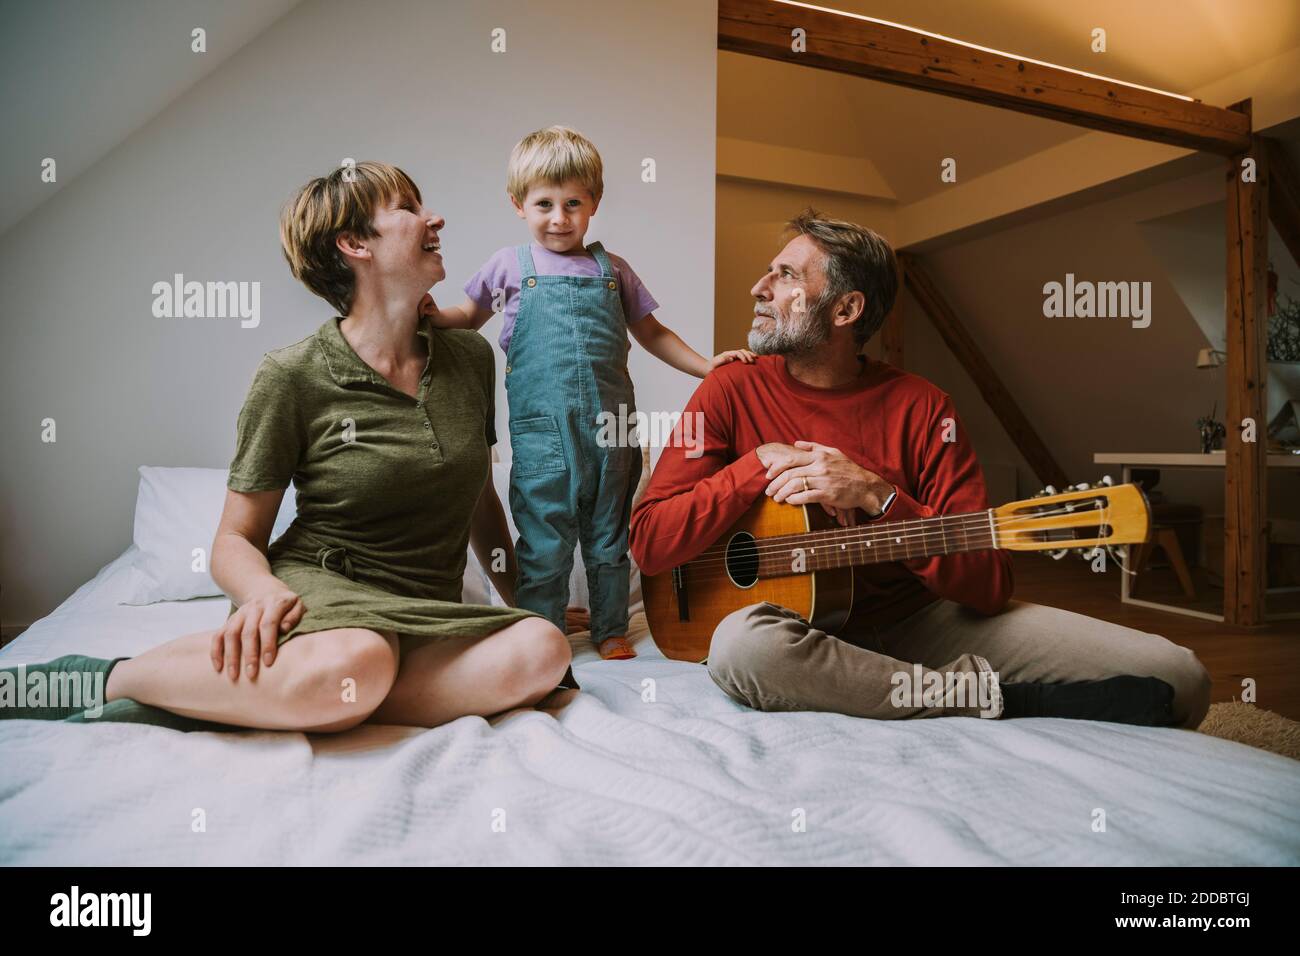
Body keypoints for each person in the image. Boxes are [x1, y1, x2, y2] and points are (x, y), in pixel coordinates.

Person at [1, 161, 574, 731]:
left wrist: (523, 601)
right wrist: (262, 595)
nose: (434, 218)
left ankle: (281, 696)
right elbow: (234, 539)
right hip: (320, 588)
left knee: (543, 649)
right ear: (354, 244)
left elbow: (479, 502)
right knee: (361, 658)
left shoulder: (470, 358)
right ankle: (110, 678)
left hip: (427, 607)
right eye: (407, 207)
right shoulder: (293, 375)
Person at [629, 210, 1212, 728]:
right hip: (793, 630)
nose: (759, 288)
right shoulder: (729, 388)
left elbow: (988, 585)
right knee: (741, 648)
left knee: (1179, 677)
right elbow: (651, 543)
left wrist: (877, 494)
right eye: (769, 272)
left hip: (919, 622)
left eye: (786, 276)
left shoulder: (925, 407)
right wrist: (757, 464)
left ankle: (892, 687)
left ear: (846, 309)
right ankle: (980, 697)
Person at [424, 126, 753, 661]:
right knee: (544, 539)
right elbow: (468, 315)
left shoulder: (613, 270)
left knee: (609, 536)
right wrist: (436, 317)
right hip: (541, 435)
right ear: (518, 204)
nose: (559, 218)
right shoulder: (509, 266)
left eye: (573, 203)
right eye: (544, 204)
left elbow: (653, 333)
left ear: (594, 203)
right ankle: (542, 632)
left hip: (612, 431)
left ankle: (610, 627)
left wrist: (706, 367)